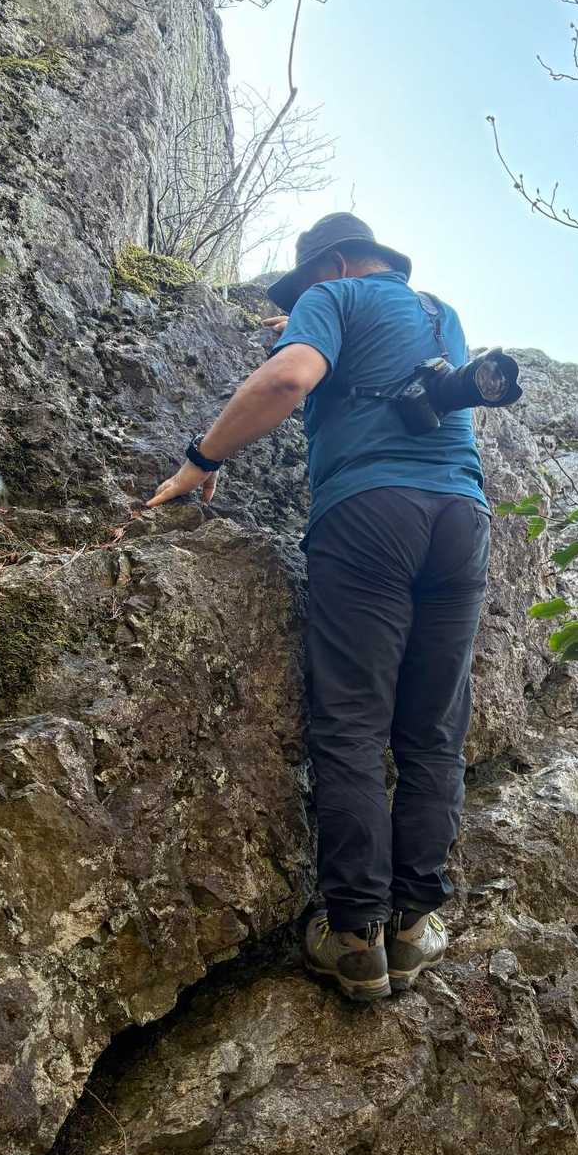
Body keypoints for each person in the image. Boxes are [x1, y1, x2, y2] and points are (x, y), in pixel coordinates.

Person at [147, 213, 491, 1003]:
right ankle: (413, 928)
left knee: (353, 725)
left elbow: (288, 380)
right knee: (434, 730)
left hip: (369, 514)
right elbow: (392, 362)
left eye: (307, 289)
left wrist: (200, 460)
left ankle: (354, 936)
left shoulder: (332, 300)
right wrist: (309, 320)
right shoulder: (439, 312)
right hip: (461, 521)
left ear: (331, 267)